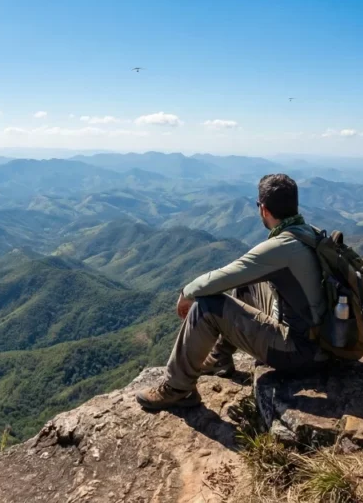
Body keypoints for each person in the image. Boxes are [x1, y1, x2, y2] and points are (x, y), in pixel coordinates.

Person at [136, 173, 329, 410]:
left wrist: (187, 292)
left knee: (207, 306)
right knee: (248, 283)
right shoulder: (310, 232)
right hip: (320, 338)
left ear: (264, 210)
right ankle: (219, 359)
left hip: (300, 351)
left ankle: (178, 388)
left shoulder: (281, 247)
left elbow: (224, 276)